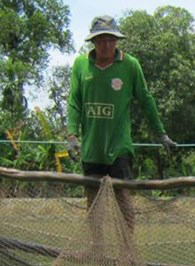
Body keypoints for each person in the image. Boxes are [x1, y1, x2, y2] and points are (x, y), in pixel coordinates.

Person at [66, 15, 176, 232]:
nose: (106, 45)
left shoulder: (130, 65)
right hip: (91, 147)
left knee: (123, 196)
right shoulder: (81, 64)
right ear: (93, 41)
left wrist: (161, 134)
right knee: (93, 200)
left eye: (110, 39)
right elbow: (74, 101)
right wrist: (71, 135)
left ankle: (127, 250)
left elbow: (146, 100)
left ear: (117, 40)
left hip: (119, 146)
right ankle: (96, 248)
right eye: (101, 40)